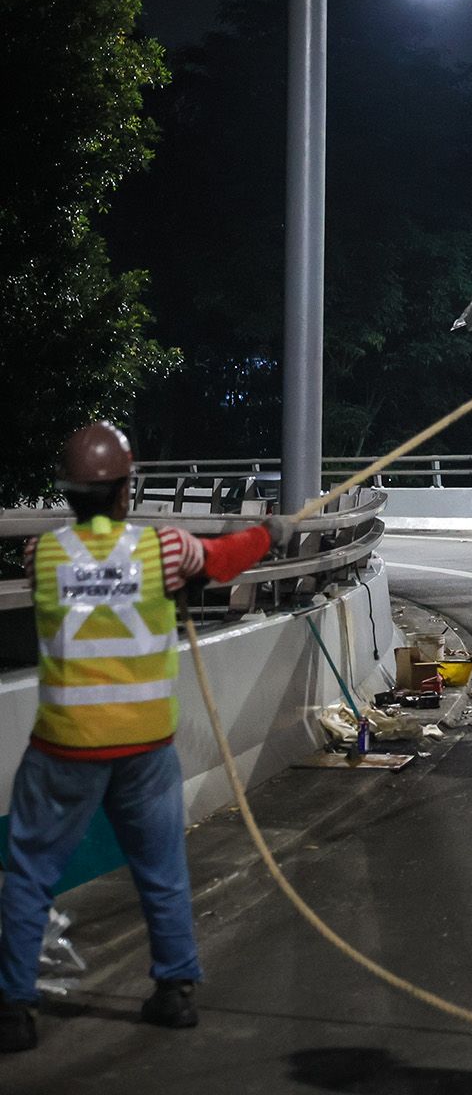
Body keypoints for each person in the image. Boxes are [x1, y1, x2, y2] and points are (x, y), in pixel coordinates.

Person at [0, 422, 289, 1054]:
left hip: (64, 748)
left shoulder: (40, 557)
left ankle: (15, 1010)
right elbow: (225, 557)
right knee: (161, 869)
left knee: (28, 874)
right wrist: (272, 532)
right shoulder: (164, 551)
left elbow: (84, 587)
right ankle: (176, 991)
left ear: (68, 493)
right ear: (127, 491)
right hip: (145, 747)